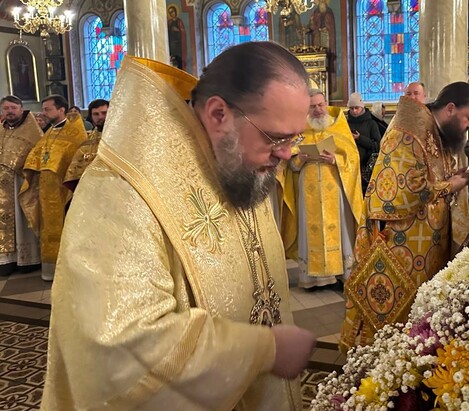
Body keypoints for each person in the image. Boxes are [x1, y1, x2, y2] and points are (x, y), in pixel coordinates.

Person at [41, 42, 316, 410]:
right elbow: (117, 344)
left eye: (294, 138)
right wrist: (265, 349)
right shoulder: (121, 191)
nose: (287, 153)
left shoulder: (237, 165)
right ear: (218, 114)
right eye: (276, 138)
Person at [340, 82, 469, 350]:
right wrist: (452, 185)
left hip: (426, 243)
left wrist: (455, 177)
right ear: (451, 109)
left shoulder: (435, 131)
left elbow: (431, 176)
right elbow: (401, 194)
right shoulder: (407, 132)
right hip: (401, 244)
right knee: (399, 323)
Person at [284, 89, 363, 289]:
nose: (318, 110)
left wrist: (335, 159)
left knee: (339, 228)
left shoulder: (339, 125)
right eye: (313, 106)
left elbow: (353, 157)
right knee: (310, 228)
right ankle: (314, 278)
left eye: (321, 104)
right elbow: (290, 165)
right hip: (308, 188)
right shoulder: (300, 130)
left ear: (326, 103)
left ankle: (341, 272)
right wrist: (300, 159)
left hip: (333, 187)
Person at [19, 95, 86, 281]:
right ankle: (50, 269)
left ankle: (68, 269)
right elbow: (38, 155)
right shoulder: (48, 133)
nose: (43, 112)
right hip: (46, 190)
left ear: (61, 110)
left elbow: (75, 160)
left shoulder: (74, 133)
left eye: (48, 109)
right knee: (48, 227)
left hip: (64, 191)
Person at [0, 95, 42, 276]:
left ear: (20, 108)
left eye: (13, 108)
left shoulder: (32, 130)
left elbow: (37, 153)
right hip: (2, 186)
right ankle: (7, 260)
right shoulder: (1, 129)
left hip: (21, 182)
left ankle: (27, 259)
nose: (9, 112)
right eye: (6, 108)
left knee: (21, 220)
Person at [64, 99, 109, 191]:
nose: (100, 117)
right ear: (91, 116)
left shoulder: (121, 137)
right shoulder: (88, 140)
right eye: (96, 114)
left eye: (104, 113)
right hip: (90, 189)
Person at [346, 92, 381, 193]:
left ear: (362, 107)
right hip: (349, 167)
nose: (354, 111)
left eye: (357, 108)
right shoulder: (345, 123)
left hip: (365, 168)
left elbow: (377, 145)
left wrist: (360, 138)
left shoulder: (371, 123)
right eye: (352, 108)